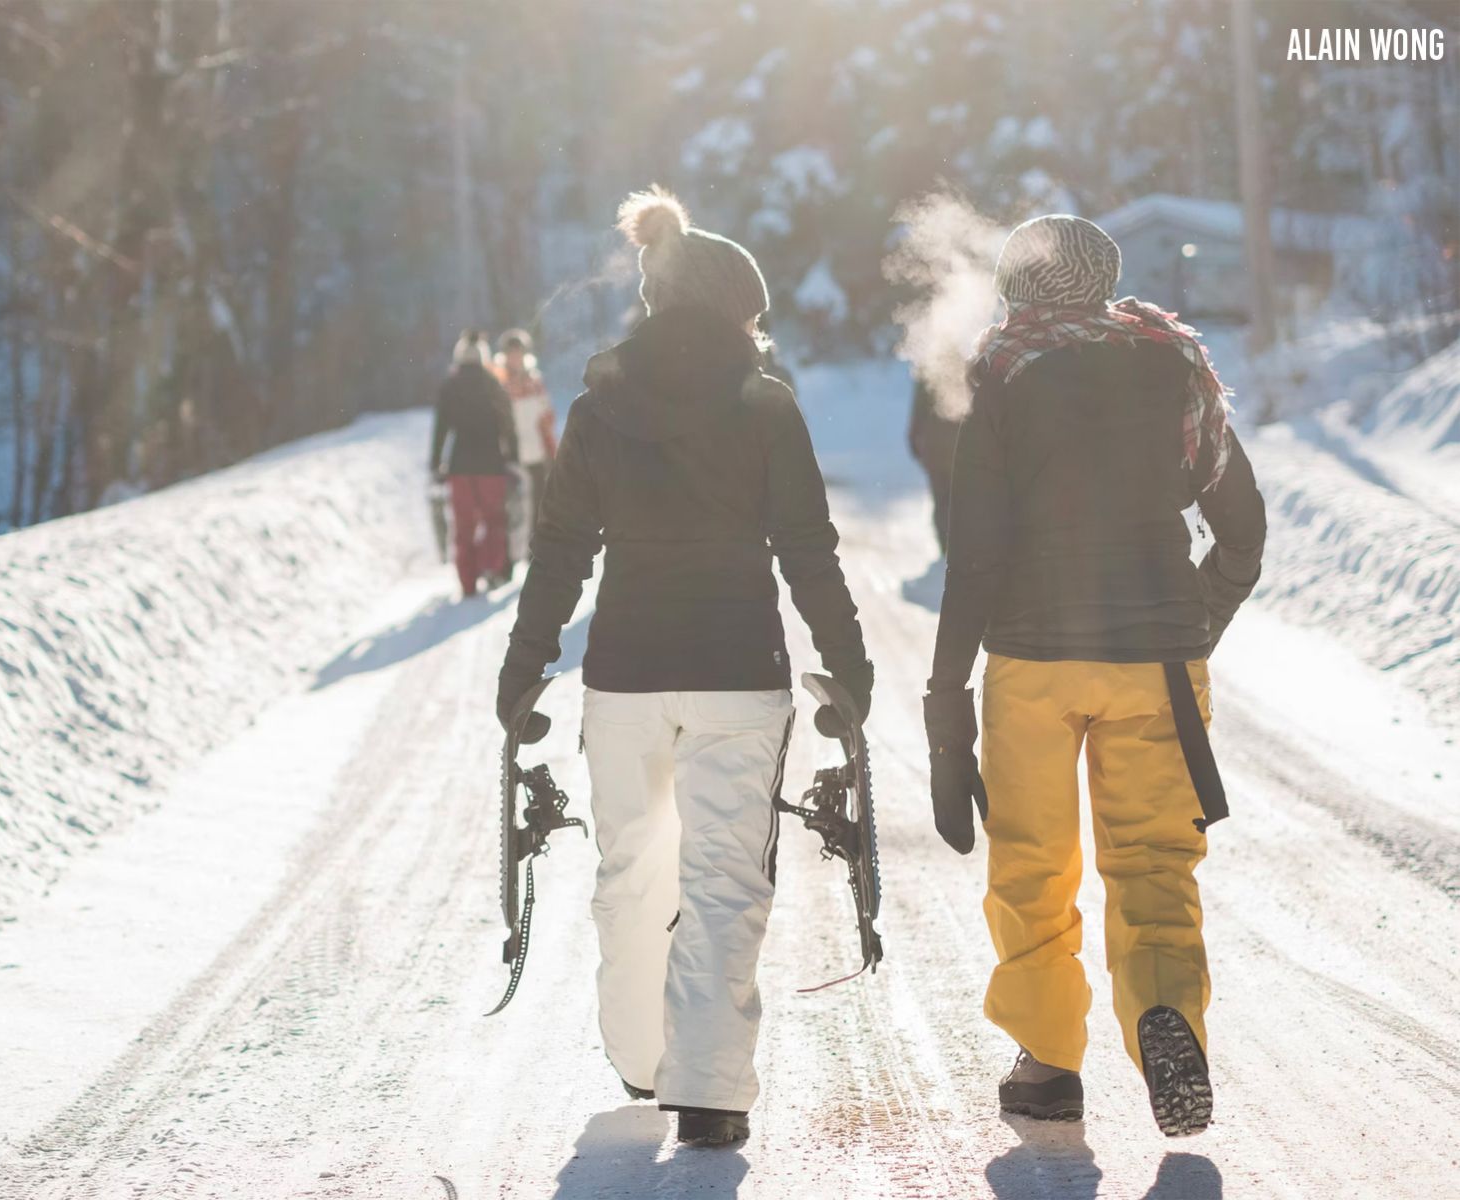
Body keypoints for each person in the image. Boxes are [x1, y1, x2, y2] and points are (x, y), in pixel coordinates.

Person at [496, 187, 871, 1148]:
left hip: (623, 673)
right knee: (722, 876)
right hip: (739, 672)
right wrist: (848, 663)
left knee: (629, 870)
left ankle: (640, 1057)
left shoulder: (596, 404)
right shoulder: (765, 404)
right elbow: (807, 547)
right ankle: (706, 1089)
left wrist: (524, 665)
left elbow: (562, 547)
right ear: (737, 310)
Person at [921, 215, 1265, 1137]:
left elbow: (977, 553)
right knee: (1155, 859)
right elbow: (1241, 529)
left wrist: (944, 693)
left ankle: (1046, 1064)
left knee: (1033, 861)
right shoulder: (1175, 364)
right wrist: (1198, 622)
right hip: (1157, 658)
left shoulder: (1002, 371)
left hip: (1033, 660)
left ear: (1016, 285)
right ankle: (1165, 1012)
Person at [431, 330, 518, 597]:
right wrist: (512, 457)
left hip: (459, 467)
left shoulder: (449, 386)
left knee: (463, 526)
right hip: (492, 465)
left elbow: (441, 429)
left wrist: (436, 464)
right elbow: (508, 424)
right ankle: (491, 568)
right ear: (483, 356)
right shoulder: (494, 383)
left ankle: (467, 582)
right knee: (494, 520)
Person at [495, 328, 558, 566]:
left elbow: (547, 416)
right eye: (511, 353)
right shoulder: (500, 384)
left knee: (539, 506)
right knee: (513, 509)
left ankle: (535, 554)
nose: (516, 358)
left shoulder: (535, 381)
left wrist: (551, 449)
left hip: (538, 453)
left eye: (519, 353)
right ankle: (509, 558)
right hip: (512, 456)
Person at [907, 377, 961, 557]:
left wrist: (914, 440)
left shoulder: (929, 369)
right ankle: (957, 543)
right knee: (959, 498)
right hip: (958, 446)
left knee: (941, 498)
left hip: (934, 446)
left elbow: (918, 410)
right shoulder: (966, 363)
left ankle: (945, 544)